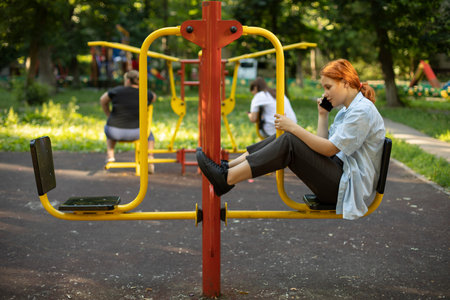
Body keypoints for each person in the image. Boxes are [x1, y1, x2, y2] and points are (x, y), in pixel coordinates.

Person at [197, 59, 385, 220]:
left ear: (345, 82)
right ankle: (228, 167)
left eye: (328, 87)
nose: (325, 93)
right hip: (339, 176)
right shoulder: (348, 110)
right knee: (287, 136)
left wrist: (293, 127)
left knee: (290, 139)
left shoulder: (362, 111)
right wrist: (322, 115)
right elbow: (324, 148)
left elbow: (329, 149)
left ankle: (226, 179)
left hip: (346, 189)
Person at [100, 70, 157, 173]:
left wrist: (109, 114)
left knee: (110, 126)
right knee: (149, 134)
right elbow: (154, 97)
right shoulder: (145, 93)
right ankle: (150, 158)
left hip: (114, 132)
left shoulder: (116, 91)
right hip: (137, 132)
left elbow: (103, 100)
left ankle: (110, 155)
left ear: (127, 80)